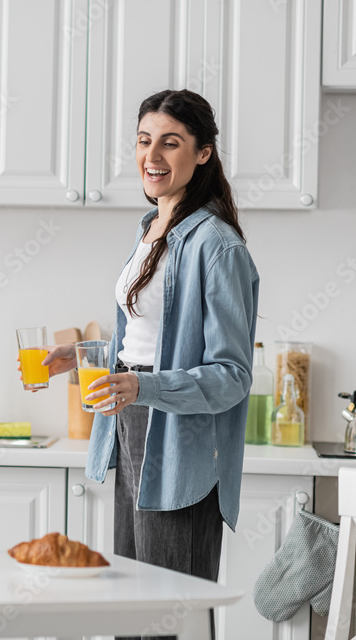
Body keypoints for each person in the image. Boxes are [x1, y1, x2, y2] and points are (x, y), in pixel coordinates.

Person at [36, 89, 259, 639]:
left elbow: (232, 376)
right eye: (143, 141)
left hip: (180, 446)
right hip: (130, 431)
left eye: (170, 142)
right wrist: (88, 358)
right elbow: (145, 336)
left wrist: (142, 388)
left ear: (203, 153)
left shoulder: (217, 246)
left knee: (167, 621)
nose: (151, 155)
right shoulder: (149, 231)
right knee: (131, 616)